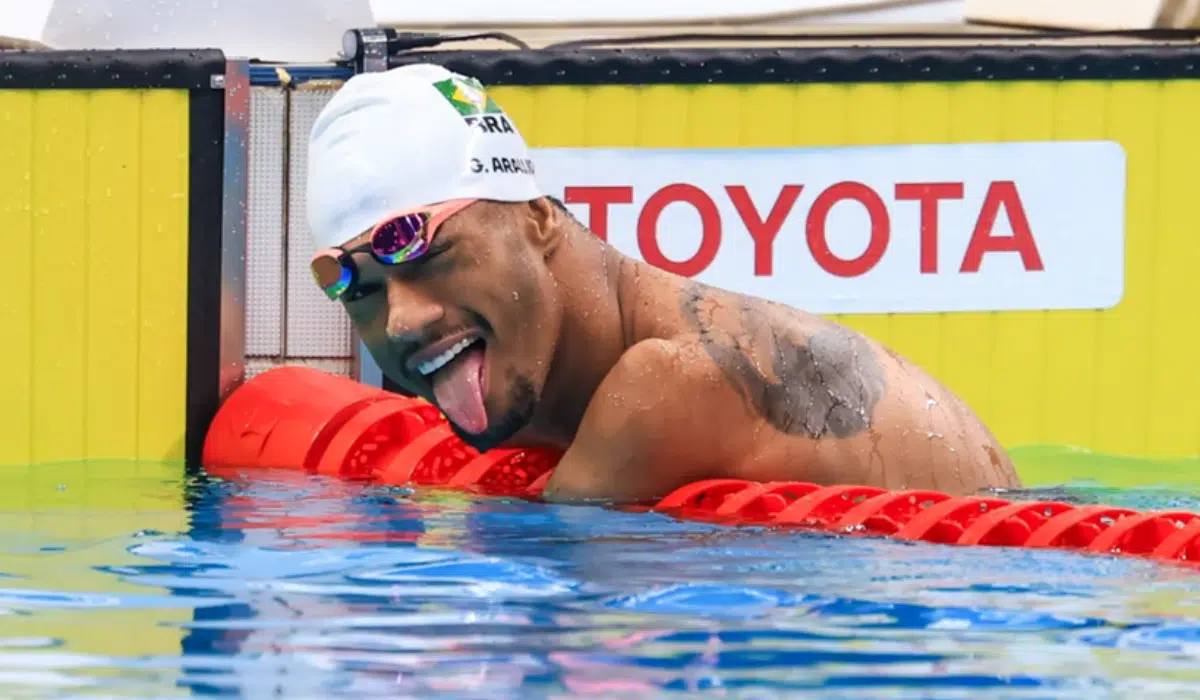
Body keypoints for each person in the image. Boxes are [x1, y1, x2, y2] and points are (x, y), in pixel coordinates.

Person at [306, 63, 1021, 504]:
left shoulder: (665, 383)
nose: (399, 321)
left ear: (536, 220)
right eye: (362, 289)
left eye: (426, 255)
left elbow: (536, 626)